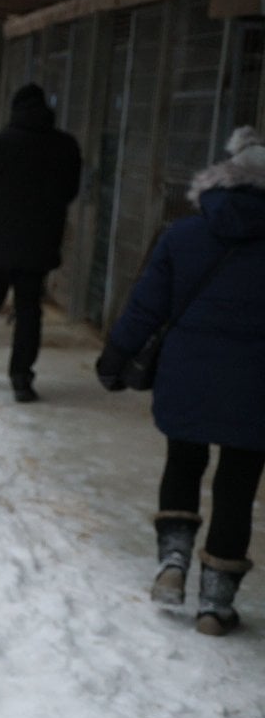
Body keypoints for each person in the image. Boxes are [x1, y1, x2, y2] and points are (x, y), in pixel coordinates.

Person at [97, 127, 265, 635]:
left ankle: (172, 564)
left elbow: (147, 304)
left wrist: (117, 354)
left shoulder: (184, 234)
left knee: (184, 461)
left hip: (188, 370)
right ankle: (216, 603)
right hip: (256, 385)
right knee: (237, 485)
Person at [0, 83, 83, 401]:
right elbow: (70, 191)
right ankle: (22, 376)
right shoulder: (65, 145)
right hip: (40, 243)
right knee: (29, 310)